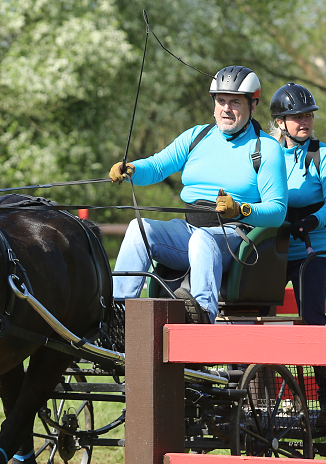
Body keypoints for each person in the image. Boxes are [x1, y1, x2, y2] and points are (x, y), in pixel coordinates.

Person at [109, 65, 288, 324]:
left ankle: (202, 316)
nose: (226, 108)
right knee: (139, 229)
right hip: (189, 231)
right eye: (221, 101)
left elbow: (277, 211)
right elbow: (158, 165)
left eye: (235, 102)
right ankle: (117, 315)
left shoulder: (266, 149)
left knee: (202, 239)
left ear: (253, 104)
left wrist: (240, 209)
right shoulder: (196, 136)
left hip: (234, 240)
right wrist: (132, 169)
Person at [269, 82, 326, 326]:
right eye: (297, 116)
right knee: (257, 315)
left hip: (313, 251)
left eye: (309, 115)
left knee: (312, 320)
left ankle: (320, 365)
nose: (305, 122)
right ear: (280, 121)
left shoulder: (323, 154)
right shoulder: (267, 155)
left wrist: (313, 220)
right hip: (273, 251)